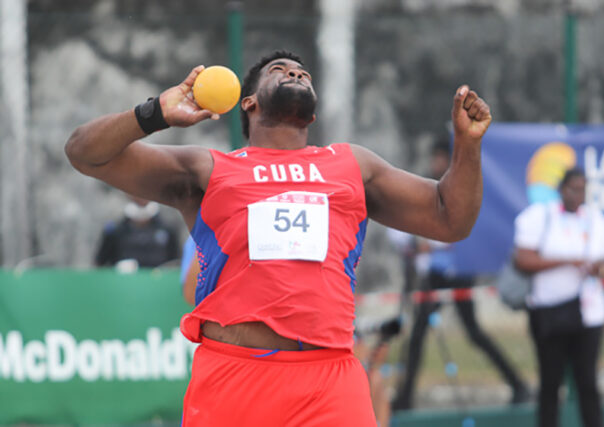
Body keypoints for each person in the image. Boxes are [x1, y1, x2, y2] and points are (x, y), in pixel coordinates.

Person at [65, 50, 491, 426]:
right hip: (235, 378)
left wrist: (467, 148)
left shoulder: (351, 164)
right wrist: (155, 112)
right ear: (247, 101)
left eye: (304, 74)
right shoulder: (208, 169)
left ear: (314, 113)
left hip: (329, 380)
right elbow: (84, 153)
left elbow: (449, 218)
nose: (297, 74)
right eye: (280, 70)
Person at [392, 141, 529, 411]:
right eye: (435, 158)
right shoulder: (429, 185)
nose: (436, 164)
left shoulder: (462, 186)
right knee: (418, 333)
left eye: (441, 158)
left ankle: (518, 385)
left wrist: (429, 245)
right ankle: (406, 397)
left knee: (473, 333)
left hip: (459, 270)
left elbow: (462, 230)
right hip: (436, 273)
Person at [513, 167, 604, 427]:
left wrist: (599, 268)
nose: (577, 194)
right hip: (550, 313)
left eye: (582, 189)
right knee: (550, 385)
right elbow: (523, 259)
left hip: (588, 315)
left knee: (588, 384)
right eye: (572, 188)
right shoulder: (540, 216)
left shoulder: (596, 220)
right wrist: (567, 262)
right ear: (561, 189)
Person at [95, 194, 179, 268]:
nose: (141, 199)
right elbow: (100, 264)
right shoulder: (115, 231)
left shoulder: (167, 230)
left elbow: (175, 264)